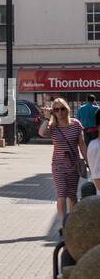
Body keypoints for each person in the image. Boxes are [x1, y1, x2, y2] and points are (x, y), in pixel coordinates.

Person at [40, 98, 88, 233]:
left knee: (72, 196)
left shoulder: (76, 124)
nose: (59, 112)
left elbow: (82, 144)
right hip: (58, 165)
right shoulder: (52, 126)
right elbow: (41, 133)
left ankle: (72, 221)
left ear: (66, 109)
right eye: (56, 109)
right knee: (61, 193)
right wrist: (46, 118)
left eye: (62, 108)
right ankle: (62, 224)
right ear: (54, 112)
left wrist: (88, 161)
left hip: (73, 164)